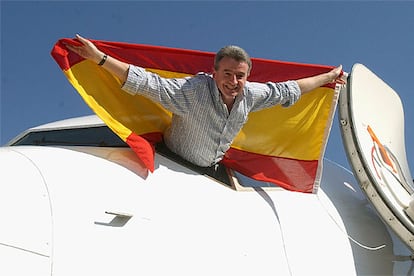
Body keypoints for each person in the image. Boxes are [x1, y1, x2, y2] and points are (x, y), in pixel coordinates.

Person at [65, 34, 346, 182]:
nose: (233, 82)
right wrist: (100, 58)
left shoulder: (251, 94)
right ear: (214, 72)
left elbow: (290, 90)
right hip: (172, 162)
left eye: (240, 76)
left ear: (247, 76)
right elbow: (144, 82)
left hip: (211, 170)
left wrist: (328, 78)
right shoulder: (192, 92)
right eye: (227, 74)